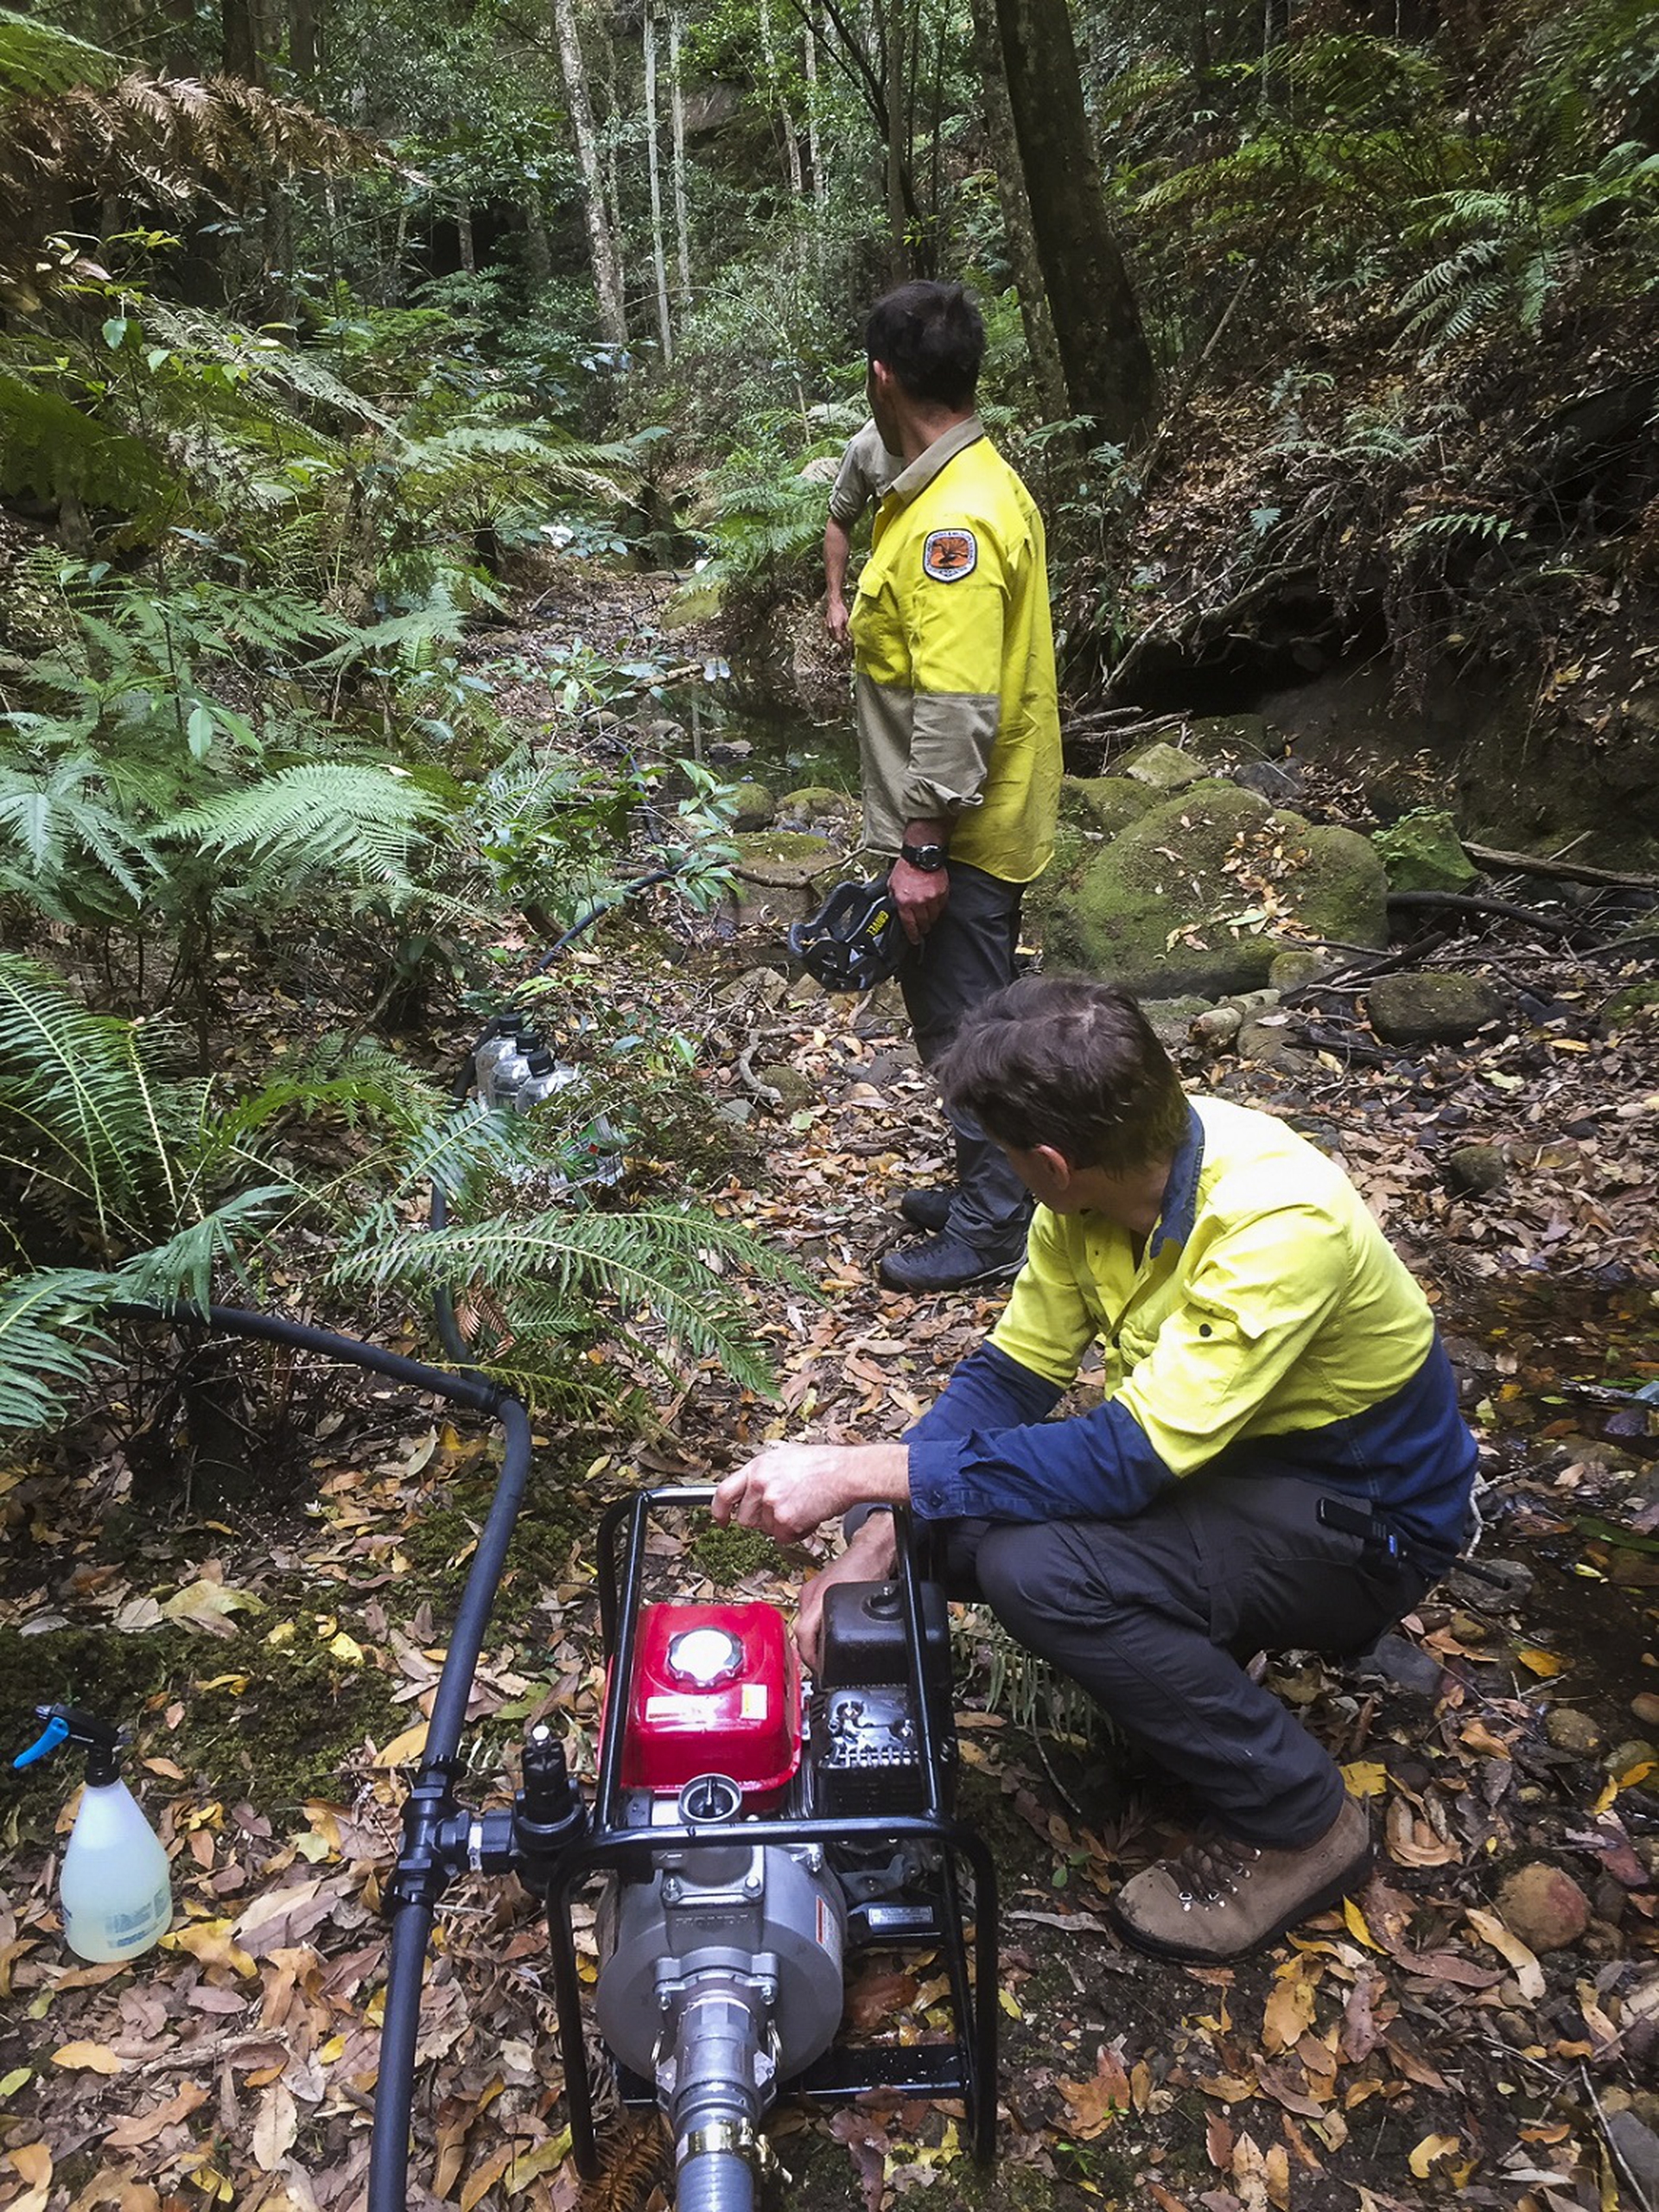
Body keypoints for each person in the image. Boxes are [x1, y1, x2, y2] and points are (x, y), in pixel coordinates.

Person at [712, 977, 1479, 1962]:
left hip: (1364, 1517)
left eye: (1000, 1153)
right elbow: (1009, 1378)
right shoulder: (1093, 1193)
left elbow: (1122, 1461)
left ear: (1050, 1160)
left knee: (1041, 1568)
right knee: (956, 1516)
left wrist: (857, 1468)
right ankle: (1190, 1644)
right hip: (1222, 1462)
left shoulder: (1280, 1220)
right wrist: (876, 1540)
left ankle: (1300, 1819)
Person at [844, 280, 1062, 1295]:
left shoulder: (954, 526)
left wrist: (921, 846)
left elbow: (957, 700)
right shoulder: (969, 480)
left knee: (964, 1025)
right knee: (984, 1011)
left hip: (960, 830)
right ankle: (998, 1179)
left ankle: (993, 1225)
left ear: (884, 378)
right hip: (978, 816)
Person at [823, 418, 902, 647]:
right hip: (891, 591)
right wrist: (835, 601)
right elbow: (839, 521)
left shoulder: (955, 432)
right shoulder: (867, 444)